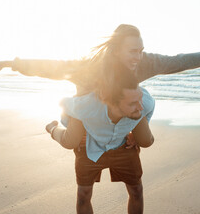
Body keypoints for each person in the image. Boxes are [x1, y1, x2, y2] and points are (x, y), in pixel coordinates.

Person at [0, 24, 200, 150]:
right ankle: (52, 127)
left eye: (141, 51)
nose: (137, 57)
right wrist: (10, 63)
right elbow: (51, 66)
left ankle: (125, 134)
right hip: (88, 112)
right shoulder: (90, 67)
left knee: (145, 141)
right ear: (116, 50)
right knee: (72, 142)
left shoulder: (144, 63)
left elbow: (177, 62)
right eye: (132, 51)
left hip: (122, 110)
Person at [52, 64, 154, 214]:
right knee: (83, 195)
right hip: (91, 148)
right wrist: (77, 130)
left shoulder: (143, 101)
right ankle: (52, 128)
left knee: (137, 190)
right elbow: (64, 105)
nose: (139, 106)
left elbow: (148, 109)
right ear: (113, 102)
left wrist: (135, 133)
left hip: (122, 145)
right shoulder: (88, 106)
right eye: (133, 103)